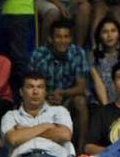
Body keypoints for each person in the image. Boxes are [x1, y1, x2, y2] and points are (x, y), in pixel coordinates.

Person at [29, 19, 89, 153]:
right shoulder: (38, 54)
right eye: (58, 37)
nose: (63, 41)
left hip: (69, 96)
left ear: (71, 39)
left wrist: (62, 93)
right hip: (44, 97)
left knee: (80, 101)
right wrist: (47, 96)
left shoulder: (78, 53)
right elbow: (31, 83)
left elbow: (81, 87)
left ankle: (81, 150)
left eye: (66, 37)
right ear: (50, 39)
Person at [1, 71, 75, 157]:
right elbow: (13, 139)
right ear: (21, 92)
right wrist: (46, 126)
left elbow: (64, 135)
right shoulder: (11, 116)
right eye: (30, 87)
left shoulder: (59, 111)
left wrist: (24, 131)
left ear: (45, 92)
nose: (35, 92)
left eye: (40, 87)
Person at [89, 18, 120, 106]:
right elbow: (96, 82)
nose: (109, 35)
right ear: (99, 36)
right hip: (99, 103)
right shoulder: (92, 56)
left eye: (113, 31)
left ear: (119, 34)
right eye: (105, 32)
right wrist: (107, 108)